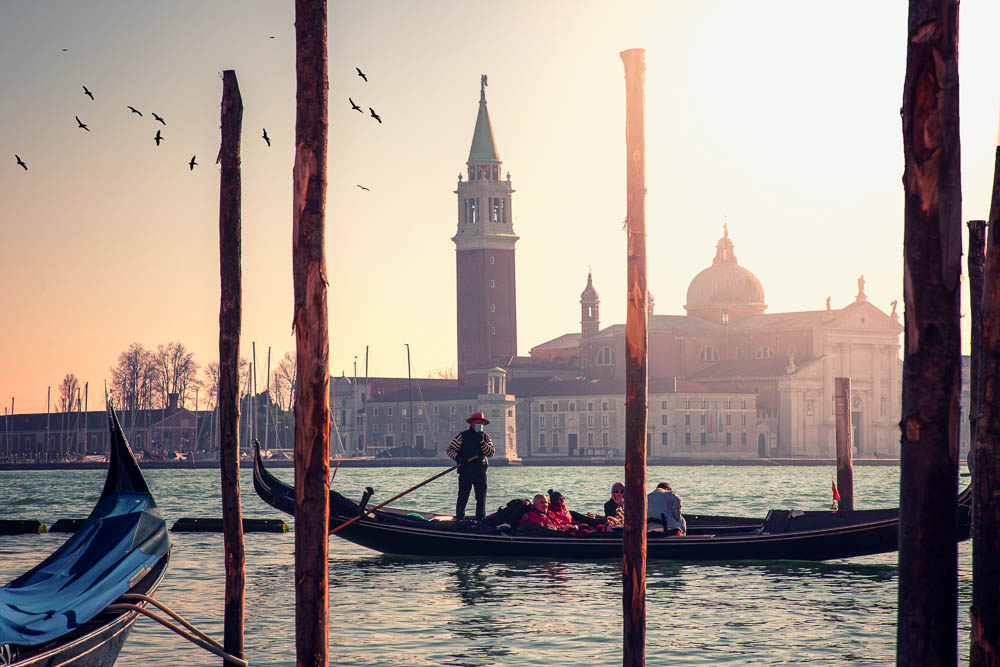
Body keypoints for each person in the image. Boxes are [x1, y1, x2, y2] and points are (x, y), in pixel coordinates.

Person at [446, 412, 496, 520]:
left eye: (482, 423)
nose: (480, 424)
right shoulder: (462, 436)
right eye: (478, 422)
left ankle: (480, 520)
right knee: (463, 497)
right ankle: (459, 519)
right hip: (465, 471)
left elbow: (491, 453)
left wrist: (482, 442)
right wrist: (458, 458)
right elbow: (450, 450)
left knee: (481, 498)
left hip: (481, 471)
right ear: (472, 424)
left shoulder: (486, 437)